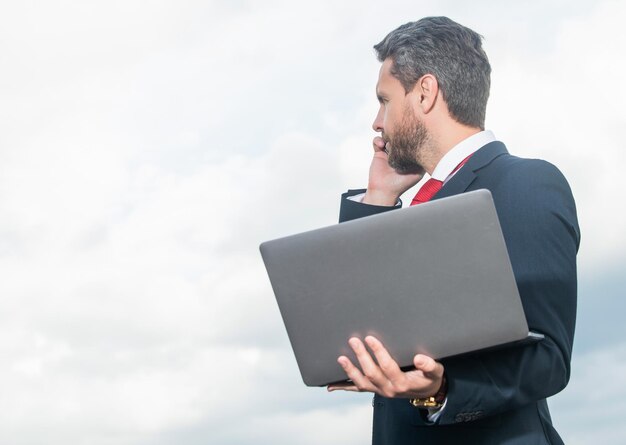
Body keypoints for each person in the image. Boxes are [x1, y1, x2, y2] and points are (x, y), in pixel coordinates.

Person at [326, 17, 580, 445]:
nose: (376, 121)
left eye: (384, 101)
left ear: (424, 93)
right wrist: (378, 197)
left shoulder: (523, 184)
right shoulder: (411, 207)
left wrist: (442, 389)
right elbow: (352, 324)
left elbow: (547, 358)